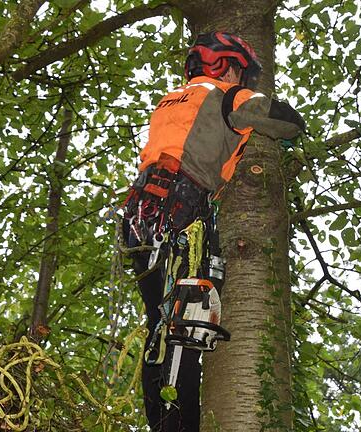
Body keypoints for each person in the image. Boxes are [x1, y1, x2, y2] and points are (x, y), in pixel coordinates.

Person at [122, 31, 305, 431]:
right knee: (188, 326)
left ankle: (160, 419)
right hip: (181, 210)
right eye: (240, 71)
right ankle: (178, 424)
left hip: (139, 216)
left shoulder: (171, 100)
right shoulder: (227, 96)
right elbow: (286, 121)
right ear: (227, 64)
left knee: (161, 323)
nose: (242, 79)